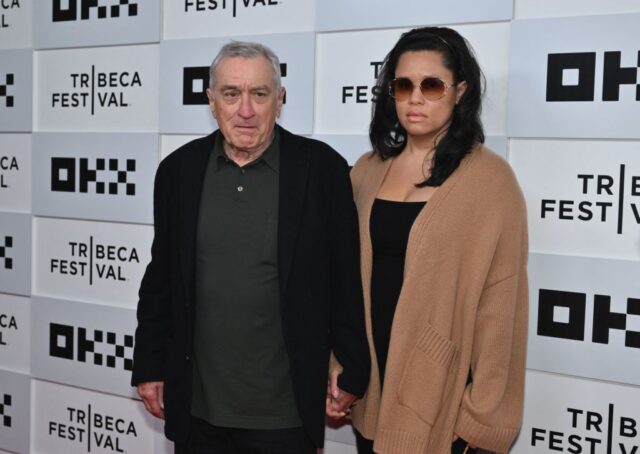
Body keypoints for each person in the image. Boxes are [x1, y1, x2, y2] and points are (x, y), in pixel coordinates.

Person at [131, 41, 370, 454]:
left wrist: (349, 362)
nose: (245, 110)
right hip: (198, 411)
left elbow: (346, 278)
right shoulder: (178, 171)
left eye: (259, 94)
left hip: (285, 415)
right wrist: (150, 363)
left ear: (280, 100)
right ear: (211, 101)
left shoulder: (322, 170)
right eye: (231, 94)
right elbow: (161, 278)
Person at [327, 26, 528, 454]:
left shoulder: (490, 181)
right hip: (370, 392)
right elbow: (341, 284)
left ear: (460, 91)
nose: (415, 98)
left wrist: (482, 415)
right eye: (403, 85)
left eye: (431, 85)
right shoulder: (365, 171)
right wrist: (340, 365)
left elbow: (501, 304)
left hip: (442, 404)